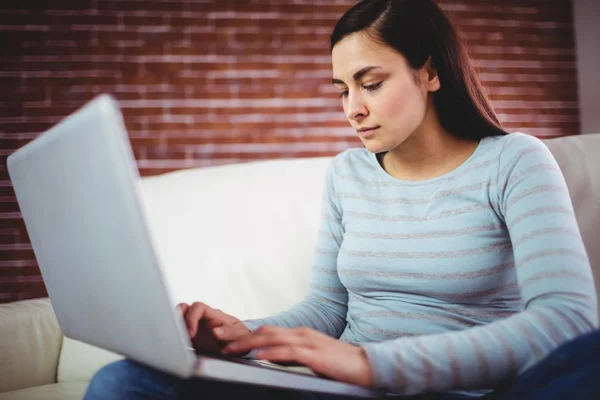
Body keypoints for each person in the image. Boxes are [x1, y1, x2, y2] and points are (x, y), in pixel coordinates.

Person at [84, 0, 599, 399]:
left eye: (370, 84)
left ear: (430, 73)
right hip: (348, 389)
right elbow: (327, 309)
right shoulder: (347, 174)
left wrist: (374, 363)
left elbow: (567, 321)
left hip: (467, 390)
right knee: (126, 381)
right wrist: (245, 335)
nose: (352, 109)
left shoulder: (515, 162)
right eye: (342, 90)